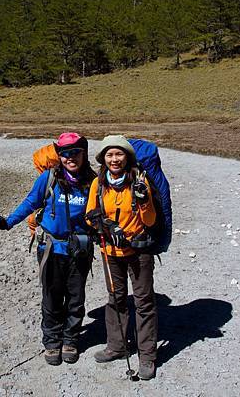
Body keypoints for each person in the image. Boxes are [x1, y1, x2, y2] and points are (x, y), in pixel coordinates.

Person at [0, 132, 96, 366]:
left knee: (76, 299)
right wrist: (7, 222)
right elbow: (31, 202)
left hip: (80, 250)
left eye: (75, 153)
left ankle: (70, 340)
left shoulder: (92, 180)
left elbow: (103, 211)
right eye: (65, 154)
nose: (70, 158)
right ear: (59, 155)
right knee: (51, 298)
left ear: (83, 153)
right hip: (51, 248)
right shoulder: (48, 178)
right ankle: (52, 341)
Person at [86, 135, 157, 381]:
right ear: (103, 159)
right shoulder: (98, 183)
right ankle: (117, 346)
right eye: (110, 155)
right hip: (110, 253)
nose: (115, 159)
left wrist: (144, 200)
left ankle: (147, 356)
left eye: (119, 154)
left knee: (143, 302)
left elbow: (149, 221)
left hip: (139, 252)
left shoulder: (139, 181)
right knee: (115, 299)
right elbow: (89, 214)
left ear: (127, 157)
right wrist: (103, 225)